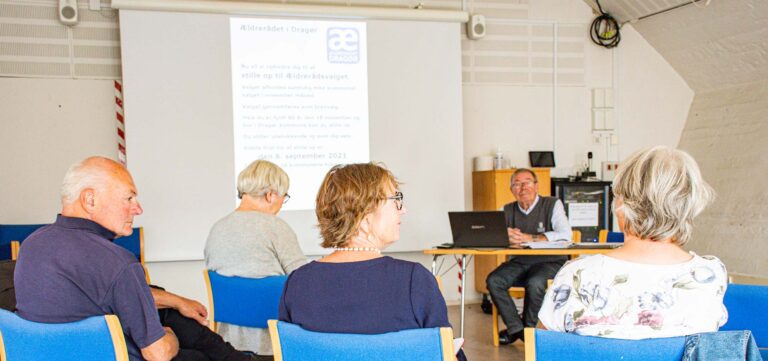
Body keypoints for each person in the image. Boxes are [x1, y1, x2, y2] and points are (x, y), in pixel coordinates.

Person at [14, 156, 252, 361]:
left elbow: (104, 292)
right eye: (129, 198)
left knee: (171, 312)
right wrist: (170, 337)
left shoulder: (32, 245)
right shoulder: (117, 262)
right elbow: (158, 354)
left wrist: (175, 300)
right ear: (90, 200)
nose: (138, 209)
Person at [278, 163, 467, 361]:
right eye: (396, 200)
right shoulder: (413, 280)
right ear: (365, 215)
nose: (403, 210)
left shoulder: (297, 283)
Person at [538, 146, 727, 339]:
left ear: (621, 205)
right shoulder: (711, 275)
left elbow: (543, 349)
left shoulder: (577, 274)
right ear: (690, 204)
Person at [205, 160, 306, 358]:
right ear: (270, 195)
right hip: (274, 344)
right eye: (283, 197)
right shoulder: (276, 227)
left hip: (227, 345)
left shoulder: (217, 229)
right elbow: (302, 281)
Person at [485, 168, 572, 345]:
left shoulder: (553, 204)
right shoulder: (506, 210)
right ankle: (518, 330)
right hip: (520, 261)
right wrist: (504, 236)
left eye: (527, 182)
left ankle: (531, 330)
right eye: (517, 184)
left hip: (550, 260)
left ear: (536, 186)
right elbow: (492, 236)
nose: (522, 187)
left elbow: (565, 235)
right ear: (511, 189)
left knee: (535, 283)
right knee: (494, 280)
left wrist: (530, 238)